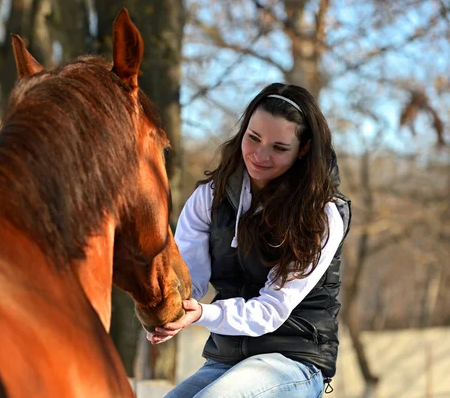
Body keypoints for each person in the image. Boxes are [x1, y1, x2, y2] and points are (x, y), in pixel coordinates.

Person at [148, 83, 351, 397]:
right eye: (253, 138)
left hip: (293, 361)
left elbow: (271, 310)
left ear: (304, 150)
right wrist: (169, 307)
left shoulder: (321, 216)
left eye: (279, 148)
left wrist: (203, 314)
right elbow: (190, 278)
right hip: (228, 358)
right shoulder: (209, 197)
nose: (259, 155)